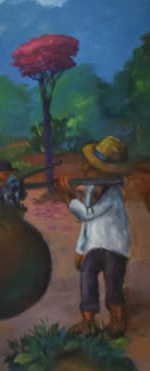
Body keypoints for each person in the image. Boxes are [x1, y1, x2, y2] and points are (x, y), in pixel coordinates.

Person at [57, 135, 133, 334]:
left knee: (113, 281)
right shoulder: (91, 189)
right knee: (87, 277)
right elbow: (87, 225)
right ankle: (87, 320)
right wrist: (80, 249)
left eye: (92, 167)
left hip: (114, 247)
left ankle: (117, 319)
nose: (85, 169)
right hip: (94, 245)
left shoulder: (114, 194)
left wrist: (68, 198)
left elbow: (87, 214)